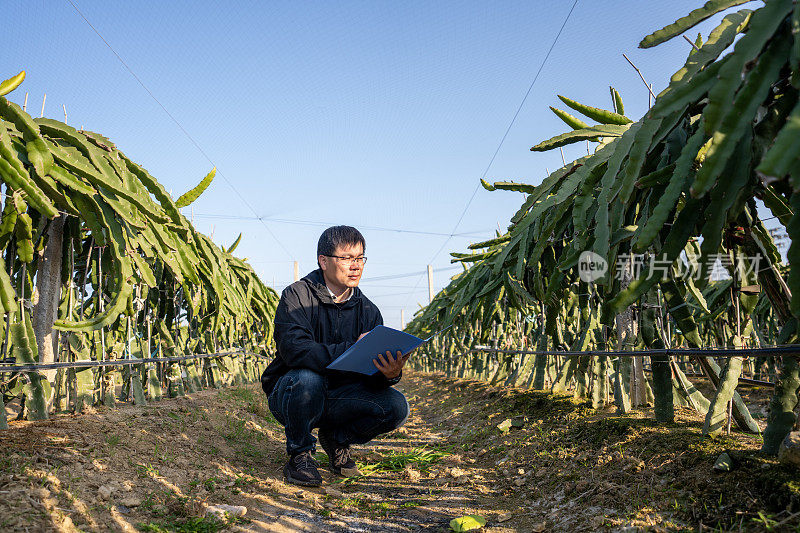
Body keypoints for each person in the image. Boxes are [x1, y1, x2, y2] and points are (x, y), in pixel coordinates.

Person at [261, 225, 410, 487]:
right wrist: (353, 348)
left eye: (360, 258)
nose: (356, 266)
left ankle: (337, 438)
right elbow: (296, 350)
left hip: (340, 397)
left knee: (397, 407)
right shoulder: (297, 296)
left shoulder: (369, 312)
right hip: (292, 394)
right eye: (347, 258)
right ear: (324, 261)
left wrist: (389, 374)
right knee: (308, 379)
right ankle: (300, 454)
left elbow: (369, 379)